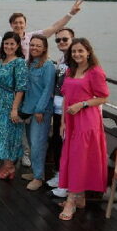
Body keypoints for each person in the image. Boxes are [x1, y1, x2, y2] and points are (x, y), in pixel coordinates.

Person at [57, 38, 109, 221]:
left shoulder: (95, 71)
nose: (77, 54)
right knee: (73, 158)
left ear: (88, 52)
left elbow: (103, 97)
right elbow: (66, 97)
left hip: (86, 121)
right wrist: (63, 121)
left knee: (79, 159)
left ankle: (71, 201)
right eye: (74, 51)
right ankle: (80, 198)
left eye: (80, 51)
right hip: (71, 120)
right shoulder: (71, 70)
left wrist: (82, 104)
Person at [0, 32, 28, 179]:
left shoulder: (19, 62)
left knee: (10, 134)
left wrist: (14, 109)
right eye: (6, 43)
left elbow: (21, 88)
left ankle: (9, 166)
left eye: (12, 44)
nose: (9, 46)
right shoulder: (2, 59)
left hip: (10, 102)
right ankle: (7, 164)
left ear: (17, 46)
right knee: (1, 134)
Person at [19, 35, 55, 190]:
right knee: (31, 143)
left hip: (40, 111)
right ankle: (35, 172)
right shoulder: (30, 63)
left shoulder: (48, 65)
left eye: (38, 46)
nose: (34, 48)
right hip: (28, 109)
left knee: (37, 144)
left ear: (45, 48)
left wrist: (40, 110)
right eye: (32, 45)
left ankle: (39, 178)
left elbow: (48, 89)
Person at [46, 27, 75, 198]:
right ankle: (59, 175)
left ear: (72, 39)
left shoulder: (75, 60)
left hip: (68, 110)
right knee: (57, 142)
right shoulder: (62, 59)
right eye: (58, 40)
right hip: (57, 109)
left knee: (66, 145)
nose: (61, 42)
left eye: (65, 39)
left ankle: (66, 182)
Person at [8, 0, 83, 58]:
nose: (18, 25)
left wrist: (71, 14)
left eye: (21, 23)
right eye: (15, 23)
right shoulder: (6, 41)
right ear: (11, 25)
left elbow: (55, 27)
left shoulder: (33, 37)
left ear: (25, 25)